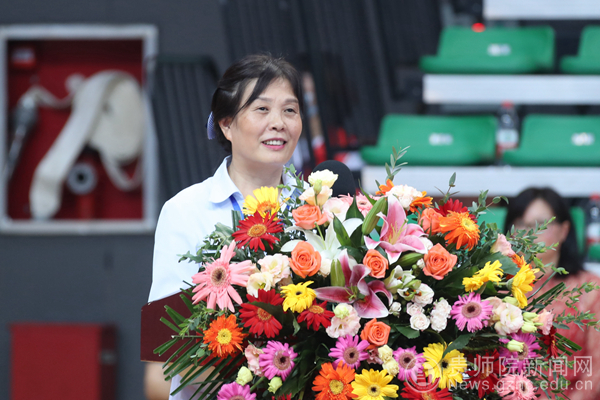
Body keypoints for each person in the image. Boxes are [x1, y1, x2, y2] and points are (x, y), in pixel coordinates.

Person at [145, 54, 304, 400]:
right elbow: (162, 356)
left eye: (290, 110)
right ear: (226, 124)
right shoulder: (184, 211)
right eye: (262, 109)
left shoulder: (320, 209)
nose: (279, 123)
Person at [505, 187, 600, 399]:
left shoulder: (590, 289)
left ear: (564, 230)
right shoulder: (498, 289)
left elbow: (597, 369)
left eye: (540, 224)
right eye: (521, 224)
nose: (530, 233)